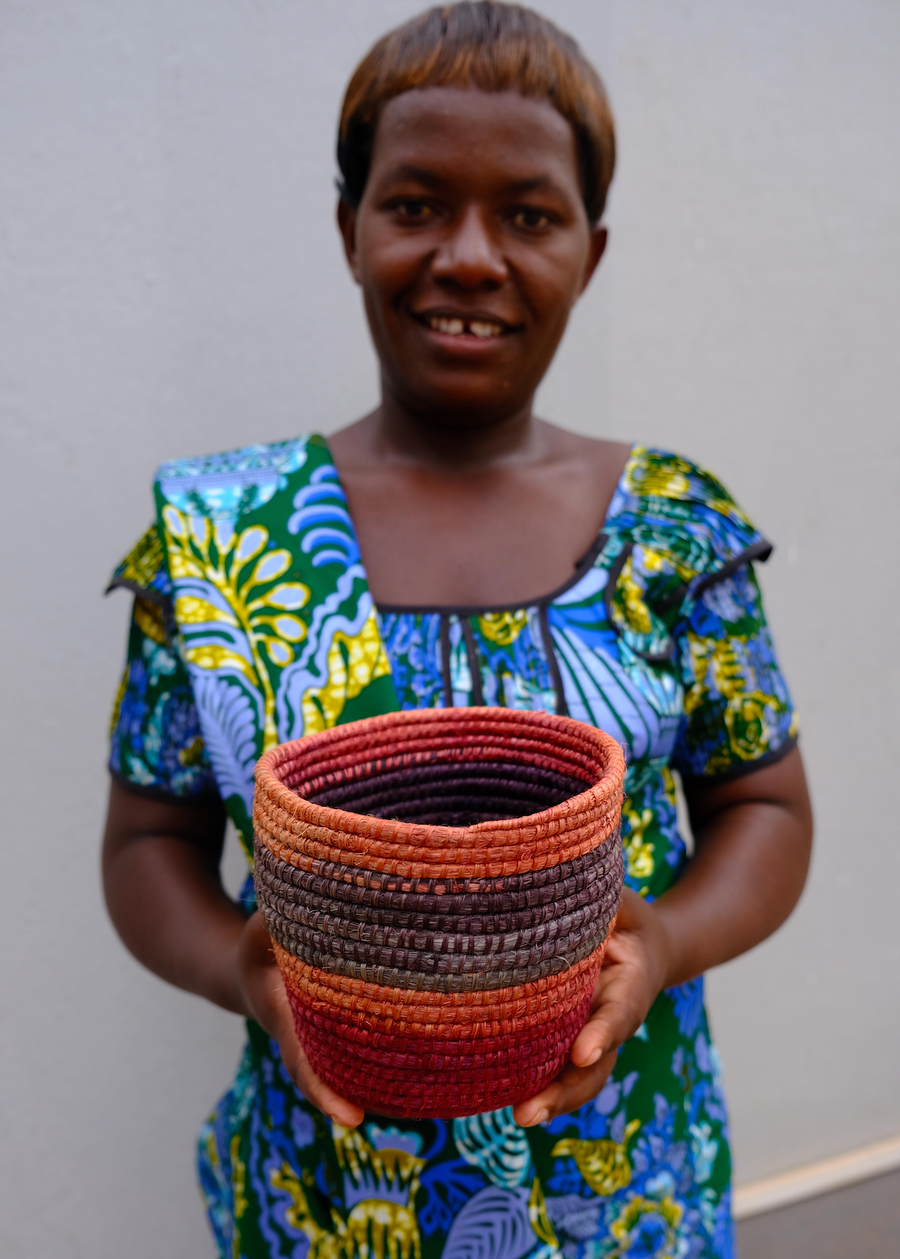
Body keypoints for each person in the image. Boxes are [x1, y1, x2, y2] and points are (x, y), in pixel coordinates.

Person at [102, 4, 812, 1256]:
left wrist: (671, 941)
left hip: (621, 1193)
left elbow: (768, 805)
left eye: (528, 216)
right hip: (326, 1199)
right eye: (417, 202)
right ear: (350, 230)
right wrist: (241, 970)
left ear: (589, 254)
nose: (470, 256)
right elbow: (151, 838)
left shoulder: (674, 530)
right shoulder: (218, 544)